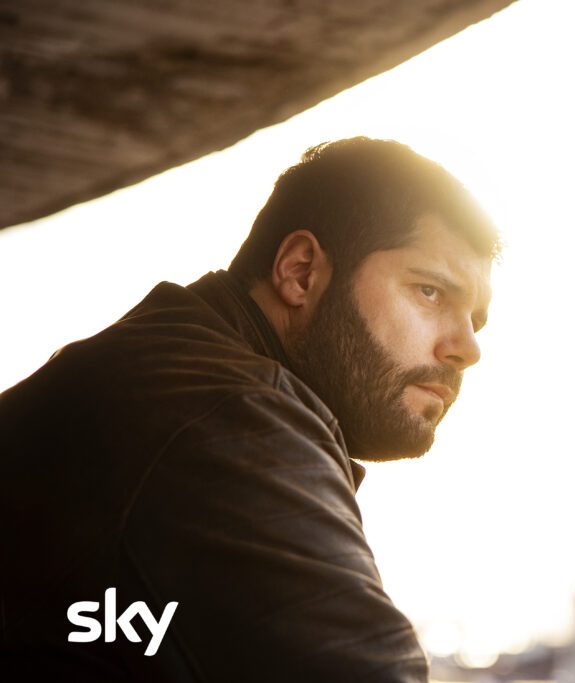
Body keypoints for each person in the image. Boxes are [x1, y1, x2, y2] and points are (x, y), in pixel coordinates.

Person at [0, 137, 499, 681]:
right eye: (430, 292)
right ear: (301, 271)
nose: (468, 348)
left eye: (476, 319)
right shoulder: (226, 416)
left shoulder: (166, 374)